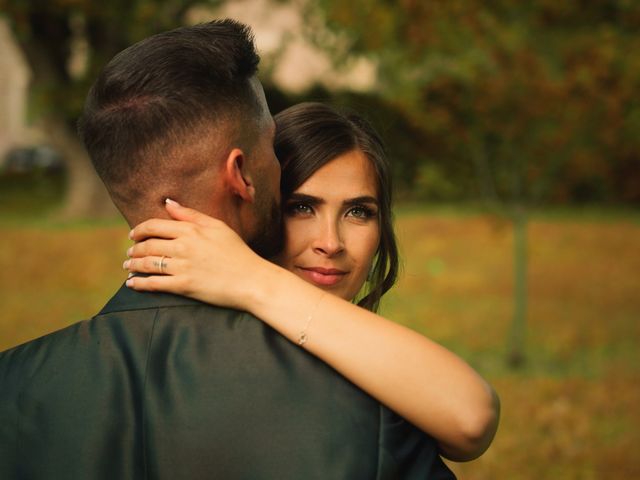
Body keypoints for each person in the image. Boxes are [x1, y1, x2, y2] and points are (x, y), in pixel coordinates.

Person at [0, 21, 457, 479]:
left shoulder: (13, 385)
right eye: (270, 150)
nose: (329, 242)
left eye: (359, 212)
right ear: (240, 173)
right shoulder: (369, 404)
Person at [124, 102, 500, 462]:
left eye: (358, 212)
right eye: (301, 207)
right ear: (258, 207)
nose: (331, 243)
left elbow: (471, 419)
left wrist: (253, 278)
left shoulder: (375, 363)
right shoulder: (213, 358)